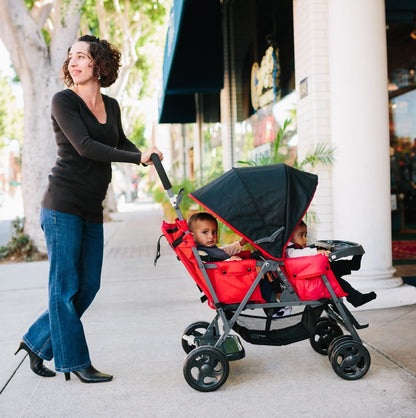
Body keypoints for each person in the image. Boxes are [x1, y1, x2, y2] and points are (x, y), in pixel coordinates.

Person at [15, 35, 163, 384]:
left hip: (91, 207)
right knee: (64, 287)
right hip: (62, 205)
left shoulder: (111, 106)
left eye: (82, 56)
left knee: (89, 285)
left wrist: (147, 155)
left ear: (99, 63)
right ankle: (75, 362)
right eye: (70, 58)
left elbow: (118, 142)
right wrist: (134, 157)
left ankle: (36, 342)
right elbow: (85, 147)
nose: (74, 63)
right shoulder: (63, 101)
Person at [286, 220, 377, 307]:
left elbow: (305, 252)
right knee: (336, 281)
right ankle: (357, 299)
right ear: (289, 237)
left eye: (305, 235)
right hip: (308, 283)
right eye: (301, 235)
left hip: (310, 276)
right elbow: (297, 254)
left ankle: (352, 264)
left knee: (332, 266)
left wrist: (317, 251)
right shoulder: (290, 251)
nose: (305, 239)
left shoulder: (296, 248)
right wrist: (317, 252)